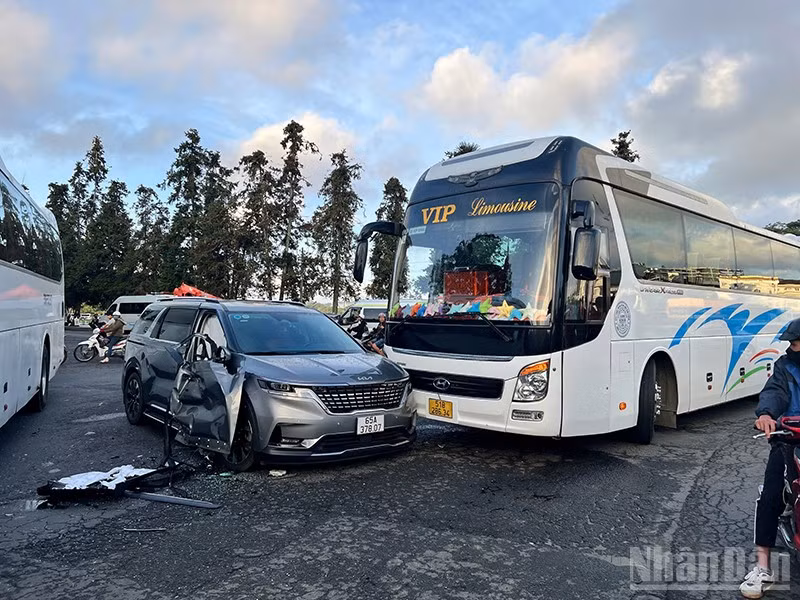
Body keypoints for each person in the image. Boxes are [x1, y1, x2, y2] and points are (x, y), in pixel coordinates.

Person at [741, 317, 800, 598]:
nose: (794, 347)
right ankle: (762, 565)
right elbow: (774, 392)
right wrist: (766, 415)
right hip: (788, 439)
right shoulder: (784, 367)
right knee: (771, 494)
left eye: (797, 342)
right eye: (793, 343)